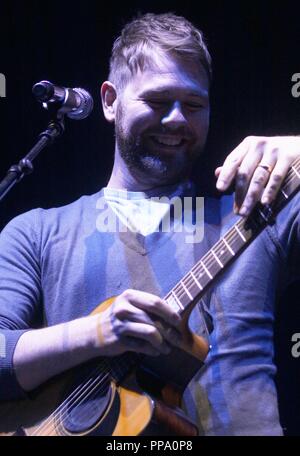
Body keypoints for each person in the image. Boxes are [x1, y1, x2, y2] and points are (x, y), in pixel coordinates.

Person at [0, 12, 300, 436]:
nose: (178, 118)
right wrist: (97, 331)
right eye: (158, 101)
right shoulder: (37, 232)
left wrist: (299, 147)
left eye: (194, 104)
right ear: (109, 101)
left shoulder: (256, 208)